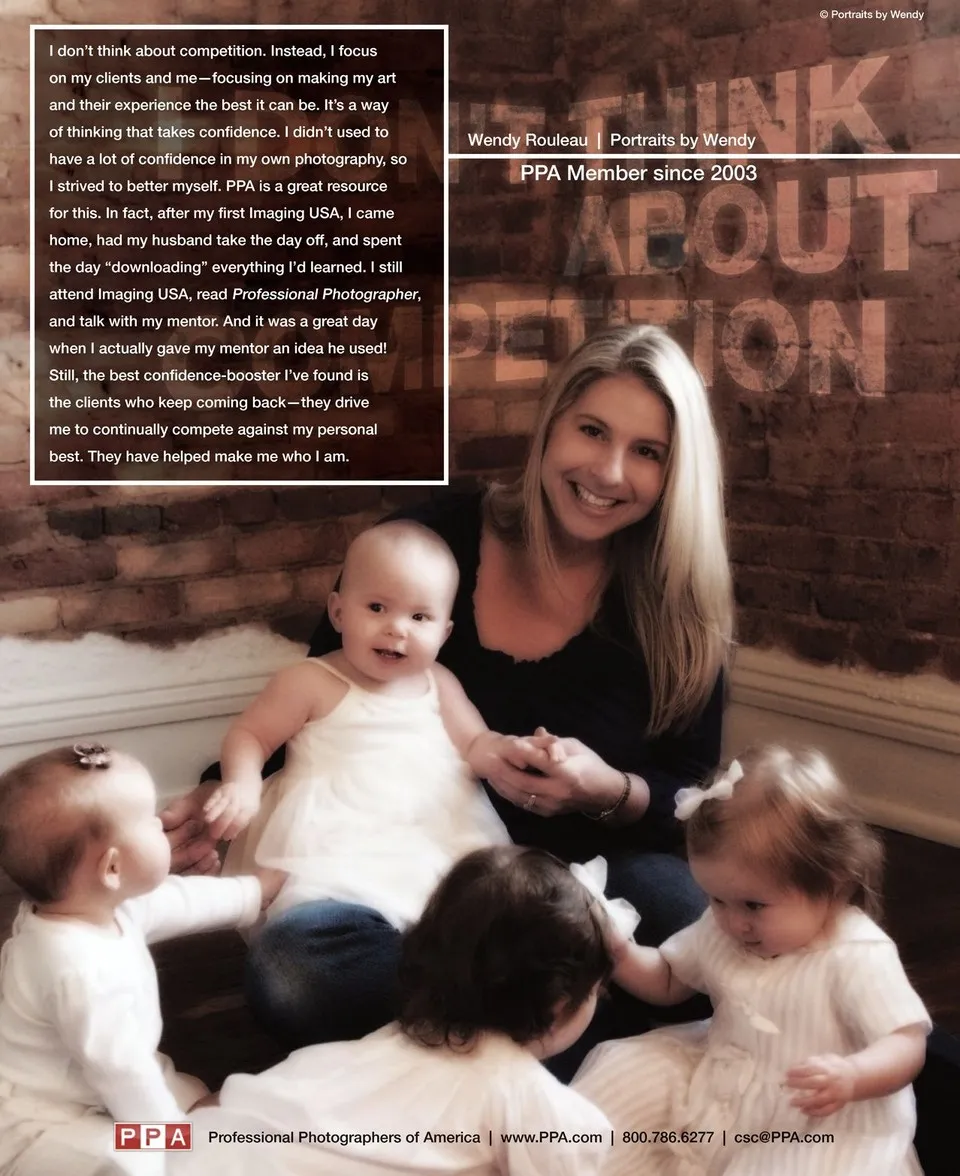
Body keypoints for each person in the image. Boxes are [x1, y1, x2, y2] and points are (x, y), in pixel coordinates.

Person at [163, 323, 735, 1072]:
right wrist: (219, 798)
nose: (608, 470)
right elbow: (328, 707)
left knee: (693, 925)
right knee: (295, 974)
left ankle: (465, 1040)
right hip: (399, 868)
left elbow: (689, 797)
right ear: (551, 425)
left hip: (585, 871)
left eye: (648, 451)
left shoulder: (679, 602)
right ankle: (552, 1031)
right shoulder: (426, 545)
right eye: (592, 430)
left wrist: (607, 791)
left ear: (676, 470)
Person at [573, 745, 931, 1176]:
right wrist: (621, 954)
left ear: (833, 884)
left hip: (819, 1115)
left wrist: (854, 1076)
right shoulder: (722, 926)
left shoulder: (855, 953)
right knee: (626, 1081)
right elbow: (667, 979)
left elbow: (906, 1043)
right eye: (716, 899)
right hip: (723, 1071)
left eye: (754, 905)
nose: (732, 922)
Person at [170, 845, 616, 1176]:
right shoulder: (549, 1113)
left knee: (202, 1109)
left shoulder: (388, 1041)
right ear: (561, 1006)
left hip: (214, 1150)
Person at [203, 519, 516, 937]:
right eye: (377, 608)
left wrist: (509, 752)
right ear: (338, 612)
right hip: (338, 836)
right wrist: (242, 784)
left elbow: (476, 743)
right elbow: (252, 734)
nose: (397, 628)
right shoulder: (310, 680)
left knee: (479, 899)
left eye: (419, 616)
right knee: (335, 907)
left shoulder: (438, 682)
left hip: (432, 826)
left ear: (444, 633)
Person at [0, 743, 282, 1176]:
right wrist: (174, 1141)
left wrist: (253, 892)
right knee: (134, 1160)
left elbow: (177, 901)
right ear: (112, 869)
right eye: (149, 821)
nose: (161, 825)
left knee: (205, 1103)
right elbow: (121, 1071)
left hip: (102, 1077)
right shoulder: (76, 970)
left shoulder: (101, 906)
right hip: (45, 1115)